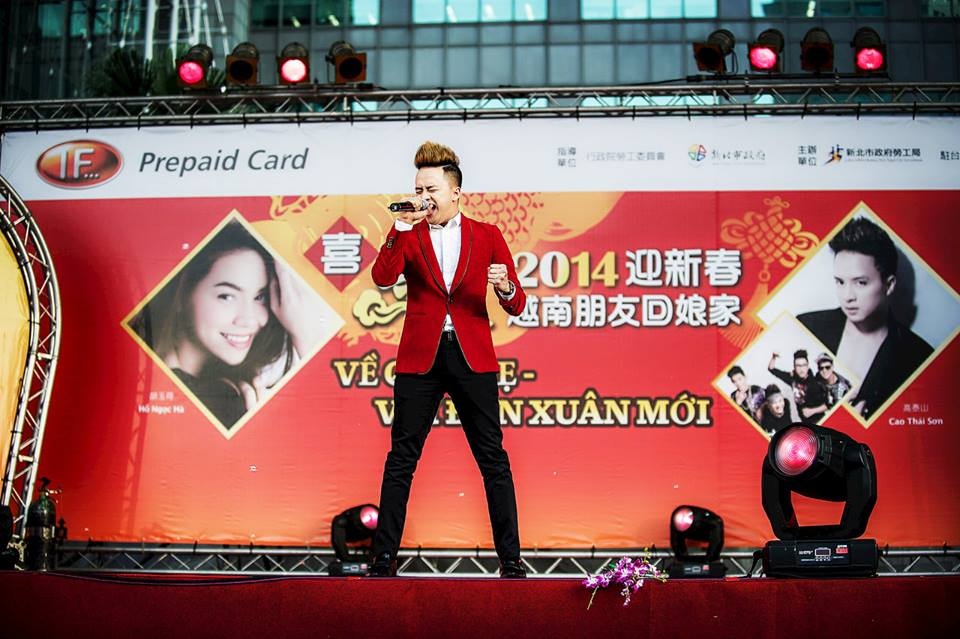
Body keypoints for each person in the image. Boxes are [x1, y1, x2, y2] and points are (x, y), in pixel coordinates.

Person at [367, 141, 527, 578]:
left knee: (493, 458)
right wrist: (399, 227)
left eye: (431, 190)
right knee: (401, 459)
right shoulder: (409, 235)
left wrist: (505, 287)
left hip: (472, 357)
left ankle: (511, 561)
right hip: (420, 359)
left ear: (455, 192)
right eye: (418, 189)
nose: (423, 197)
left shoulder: (487, 235)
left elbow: (517, 304)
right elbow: (382, 277)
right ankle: (382, 559)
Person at [129, 220, 323, 429]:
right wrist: (306, 338)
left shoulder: (232, 391)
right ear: (183, 295)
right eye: (227, 296)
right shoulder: (164, 396)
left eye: (260, 297)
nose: (249, 319)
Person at [798, 217, 933, 419]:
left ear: (889, 285)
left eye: (860, 283)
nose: (847, 296)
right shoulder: (806, 327)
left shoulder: (919, 358)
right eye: (840, 282)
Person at [767, 349, 828, 424]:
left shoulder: (816, 383)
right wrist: (774, 357)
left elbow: (829, 404)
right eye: (798, 366)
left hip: (821, 420)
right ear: (794, 367)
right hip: (805, 423)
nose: (801, 369)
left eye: (804, 365)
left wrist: (812, 411)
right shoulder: (793, 379)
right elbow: (771, 369)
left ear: (808, 366)